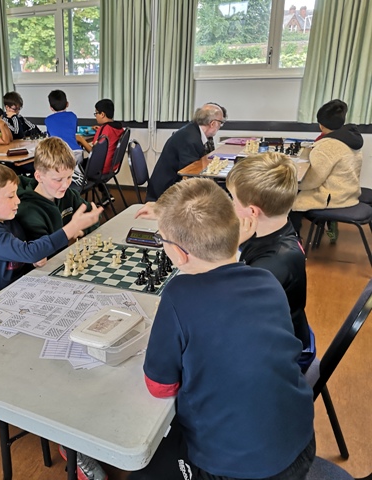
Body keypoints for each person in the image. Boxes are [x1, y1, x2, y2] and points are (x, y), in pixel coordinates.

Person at [132, 178, 315, 480]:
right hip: (302, 444)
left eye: (161, 239)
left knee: (141, 470)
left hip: (235, 470)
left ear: (179, 254)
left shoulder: (179, 294)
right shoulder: (267, 280)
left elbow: (160, 386)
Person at [226, 152, 316, 372]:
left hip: (284, 357)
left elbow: (227, 307)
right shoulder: (275, 226)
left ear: (252, 212)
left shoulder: (272, 265)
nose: (231, 205)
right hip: (281, 329)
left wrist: (230, 249)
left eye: (233, 200)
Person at [0, 162, 102, 302]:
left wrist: (31, 263)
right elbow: (29, 252)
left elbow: (20, 253)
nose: (18, 201)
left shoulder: (6, 218)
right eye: (11, 196)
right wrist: (72, 227)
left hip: (23, 287)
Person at [289, 99, 364, 241]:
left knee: (290, 199)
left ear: (321, 125)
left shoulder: (326, 146)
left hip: (333, 197)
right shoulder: (351, 140)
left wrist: (294, 185)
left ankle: (293, 239)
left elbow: (312, 181)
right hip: (349, 192)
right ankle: (322, 226)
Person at [16, 137, 99, 242]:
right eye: (58, 180)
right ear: (39, 177)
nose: (66, 185)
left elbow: (94, 217)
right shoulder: (28, 211)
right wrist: (72, 231)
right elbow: (46, 247)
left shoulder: (69, 195)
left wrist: (81, 231)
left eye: (69, 177)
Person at [145, 103, 225, 202]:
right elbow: (191, 174)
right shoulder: (191, 139)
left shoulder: (193, 131)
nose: (220, 126)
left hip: (172, 183)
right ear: (212, 123)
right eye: (221, 123)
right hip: (165, 192)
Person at [76, 98, 124, 175]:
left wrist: (81, 140)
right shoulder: (119, 128)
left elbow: (93, 153)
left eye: (96, 113)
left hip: (99, 168)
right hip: (112, 166)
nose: (96, 116)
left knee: (72, 165)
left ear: (102, 114)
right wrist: (100, 130)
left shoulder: (104, 130)